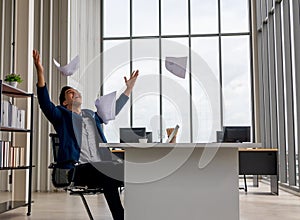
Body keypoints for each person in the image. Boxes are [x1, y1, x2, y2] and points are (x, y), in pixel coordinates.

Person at [33, 49, 139, 220]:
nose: (75, 93)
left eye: (76, 91)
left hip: (102, 166)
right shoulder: (61, 116)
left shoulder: (91, 115)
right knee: (109, 172)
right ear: (64, 102)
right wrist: (40, 72)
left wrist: (128, 90)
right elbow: (45, 103)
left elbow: (113, 111)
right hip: (79, 169)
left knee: (133, 170)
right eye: (70, 93)